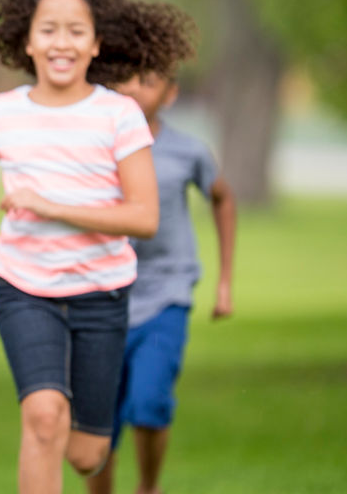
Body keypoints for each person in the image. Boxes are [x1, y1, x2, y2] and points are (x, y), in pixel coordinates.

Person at [0, 0, 196, 494]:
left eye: (75, 31)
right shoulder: (0, 113)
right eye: (48, 30)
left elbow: (143, 217)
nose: (62, 42)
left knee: (87, 454)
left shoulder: (119, 116)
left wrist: (52, 206)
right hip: (24, 289)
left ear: (96, 44)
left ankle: (92, 442)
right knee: (43, 419)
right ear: (27, 42)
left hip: (100, 295)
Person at [85, 71, 237, 494]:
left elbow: (223, 199)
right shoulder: (93, 145)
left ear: (171, 94)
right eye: (125, 79)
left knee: (150, 401)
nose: (134, 88)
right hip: (101, 295)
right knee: (99, 420)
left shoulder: (188, 151)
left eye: (148, 81)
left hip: (167, 293)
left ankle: (148, 487)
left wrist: (224, 282)